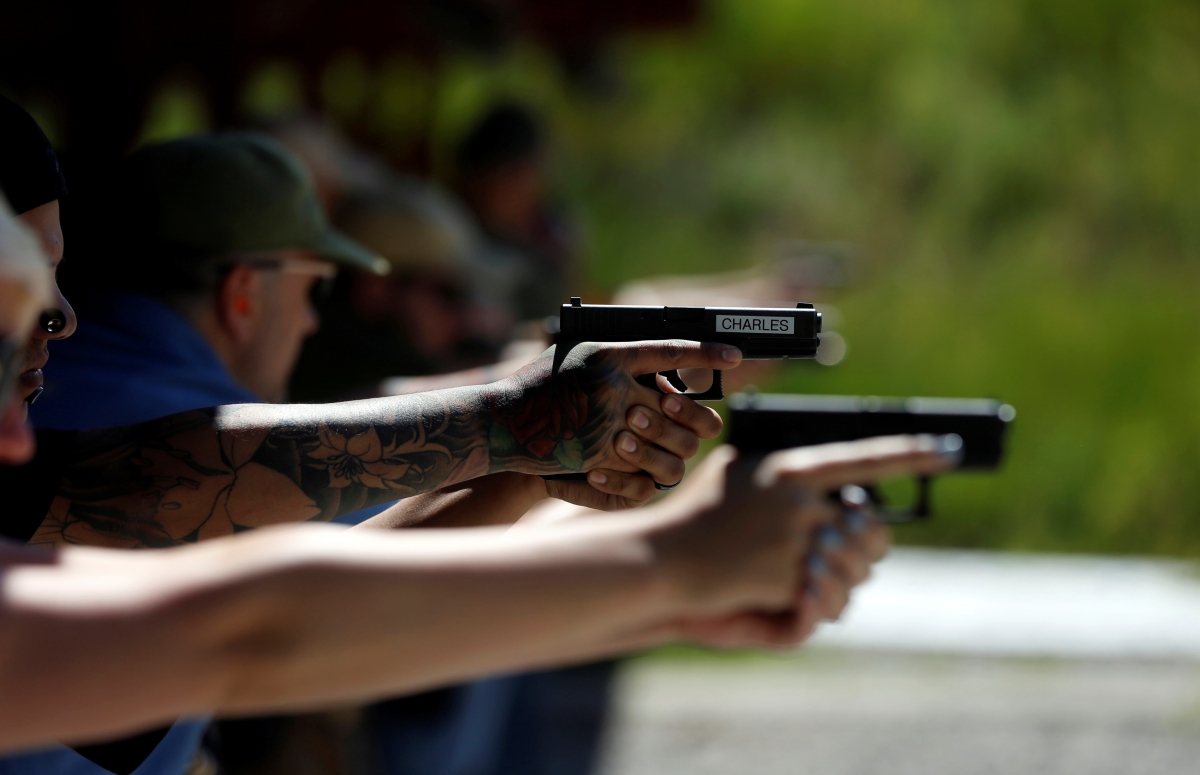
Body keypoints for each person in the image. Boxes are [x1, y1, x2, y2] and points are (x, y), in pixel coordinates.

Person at [0, 191, 957, 755]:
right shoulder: (139, 409)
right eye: (18, 326)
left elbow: (302, 618)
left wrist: (544, 473)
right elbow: (251, 629)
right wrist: (667, 563)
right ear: (246, 290)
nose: (24, 423)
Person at [0, 120, 722, 774]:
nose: (316, 322)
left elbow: (338, 580)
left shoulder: (82, 403)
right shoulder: (153, 430)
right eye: (316, 289)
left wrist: (528, 466)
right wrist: (682, 556)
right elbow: (336, 590)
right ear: (243, 294)